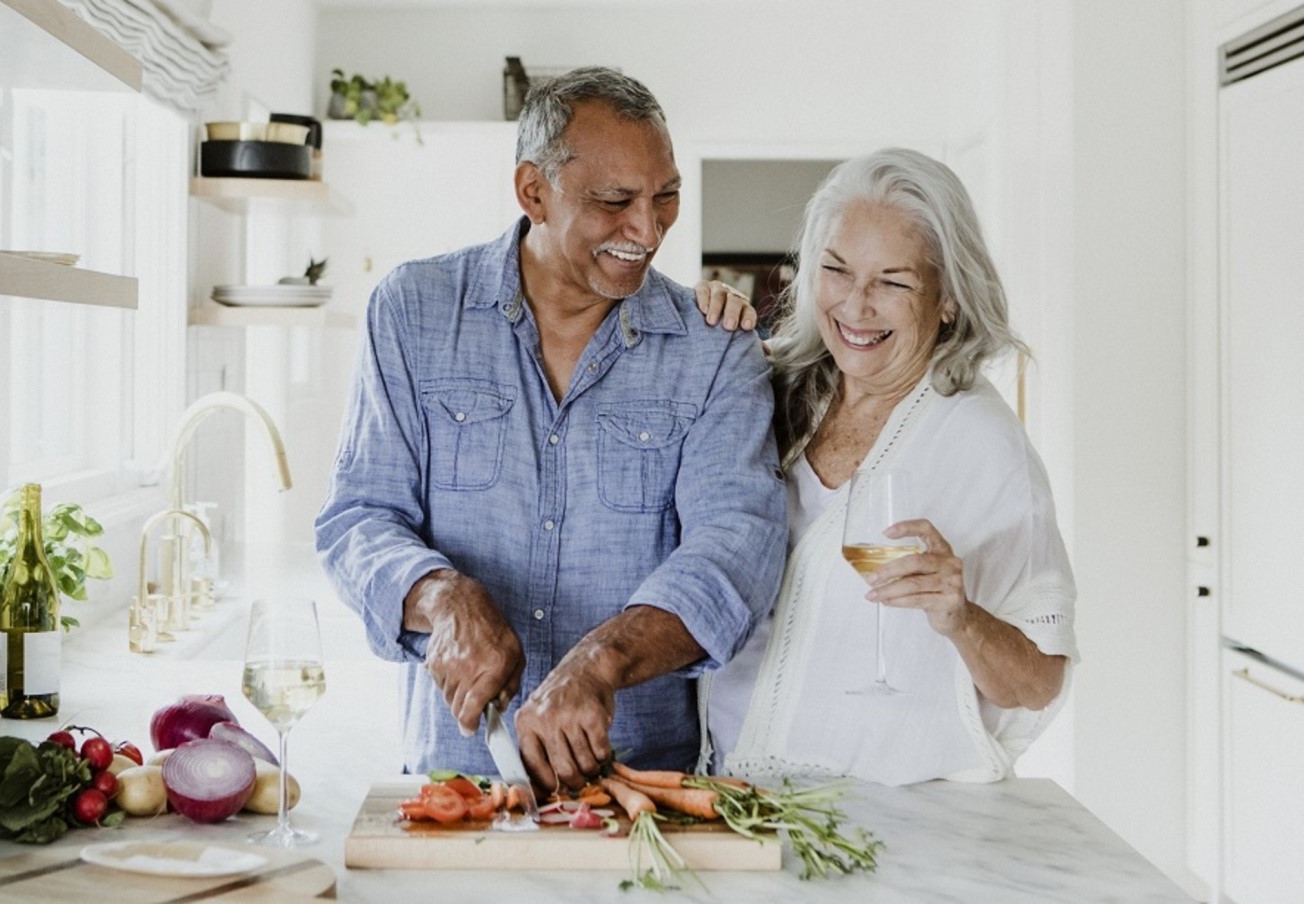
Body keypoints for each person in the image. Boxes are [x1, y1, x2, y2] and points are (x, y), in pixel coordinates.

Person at [314, 67, 787, 791]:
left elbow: (735, 551)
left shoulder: (715, 347)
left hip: (641, 787)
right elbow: (358, 518)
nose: (648, 230)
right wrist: (441, 597)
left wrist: (601, 661)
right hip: (454, 780)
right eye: (614, 201)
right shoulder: (412, 312)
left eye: (666, 197)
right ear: (533, 191)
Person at [697, 147, 1078, 785]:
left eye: (893, 282)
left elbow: (1037, 682)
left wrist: (962, 617)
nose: (856, 305)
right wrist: (699, 324)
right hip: (726, 793)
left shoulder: (983, 445)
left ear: (948, 298)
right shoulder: (772, 389)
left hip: (880, 823)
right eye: (837, 270)